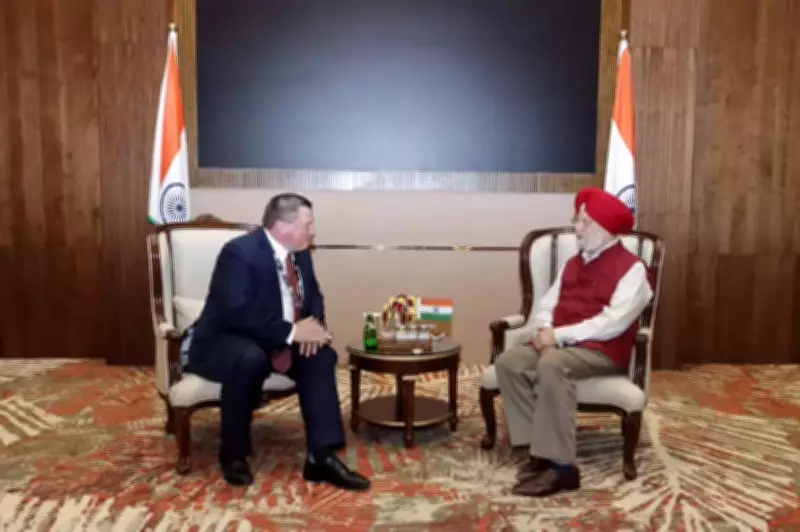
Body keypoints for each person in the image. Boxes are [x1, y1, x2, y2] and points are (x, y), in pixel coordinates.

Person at [185, 193, 370, 490]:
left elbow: (315, 298)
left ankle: (321, 456)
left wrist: (313, 329)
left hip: (279, 338)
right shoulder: (239, 253)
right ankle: (233, 453)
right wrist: (292, 333)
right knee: (249, 359)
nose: (313, 231)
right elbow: (236, 311)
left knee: (321, 357)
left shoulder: (300, 254)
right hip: (228, 340)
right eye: (308, 224)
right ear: (283, 226)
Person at [495, 186, 653, 497]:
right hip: (560, 346)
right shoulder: (572, 262)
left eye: (584, 222)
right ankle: (536, 451)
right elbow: (546, 305)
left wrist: (557, 337)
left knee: (553, 364)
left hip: (602, 351)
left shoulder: (633, 269)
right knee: (509, 362)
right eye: (576, 220)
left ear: (605, 228)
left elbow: (612, 323)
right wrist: (544, 332)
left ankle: (563, 468)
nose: (576, 228)